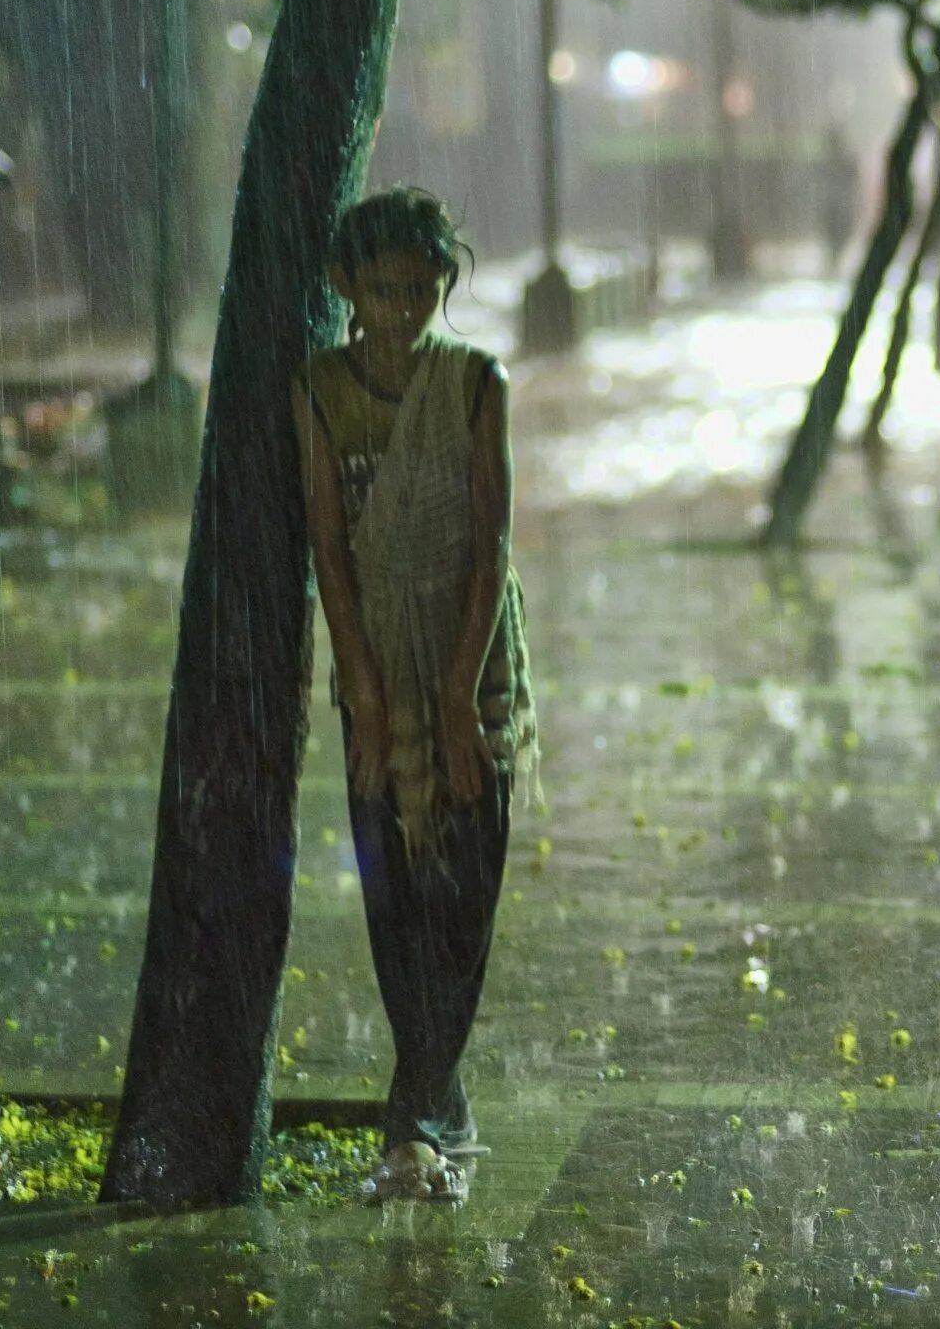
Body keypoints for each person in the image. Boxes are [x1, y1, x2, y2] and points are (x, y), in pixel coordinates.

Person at [292, 187, 539, 1205]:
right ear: (346, 286)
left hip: (472, 653)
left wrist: (449, 696)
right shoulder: (318, 389)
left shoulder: (475, 384)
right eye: (384, 288)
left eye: (423, 287)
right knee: (396, 887)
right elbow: (330, 551)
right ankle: (427, 1107)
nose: (404, 308)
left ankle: (421, 1111)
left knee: (465, 883)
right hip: (376, 662)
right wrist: (369, 690)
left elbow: (487, 540)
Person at [818, 124, 860, 277]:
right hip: (835, 206)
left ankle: (834, 262)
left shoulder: (839, 161)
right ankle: (833, 262)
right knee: (836, 236)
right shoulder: (831, 162)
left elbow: (852, 178)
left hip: (838, 206)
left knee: (838, 235)